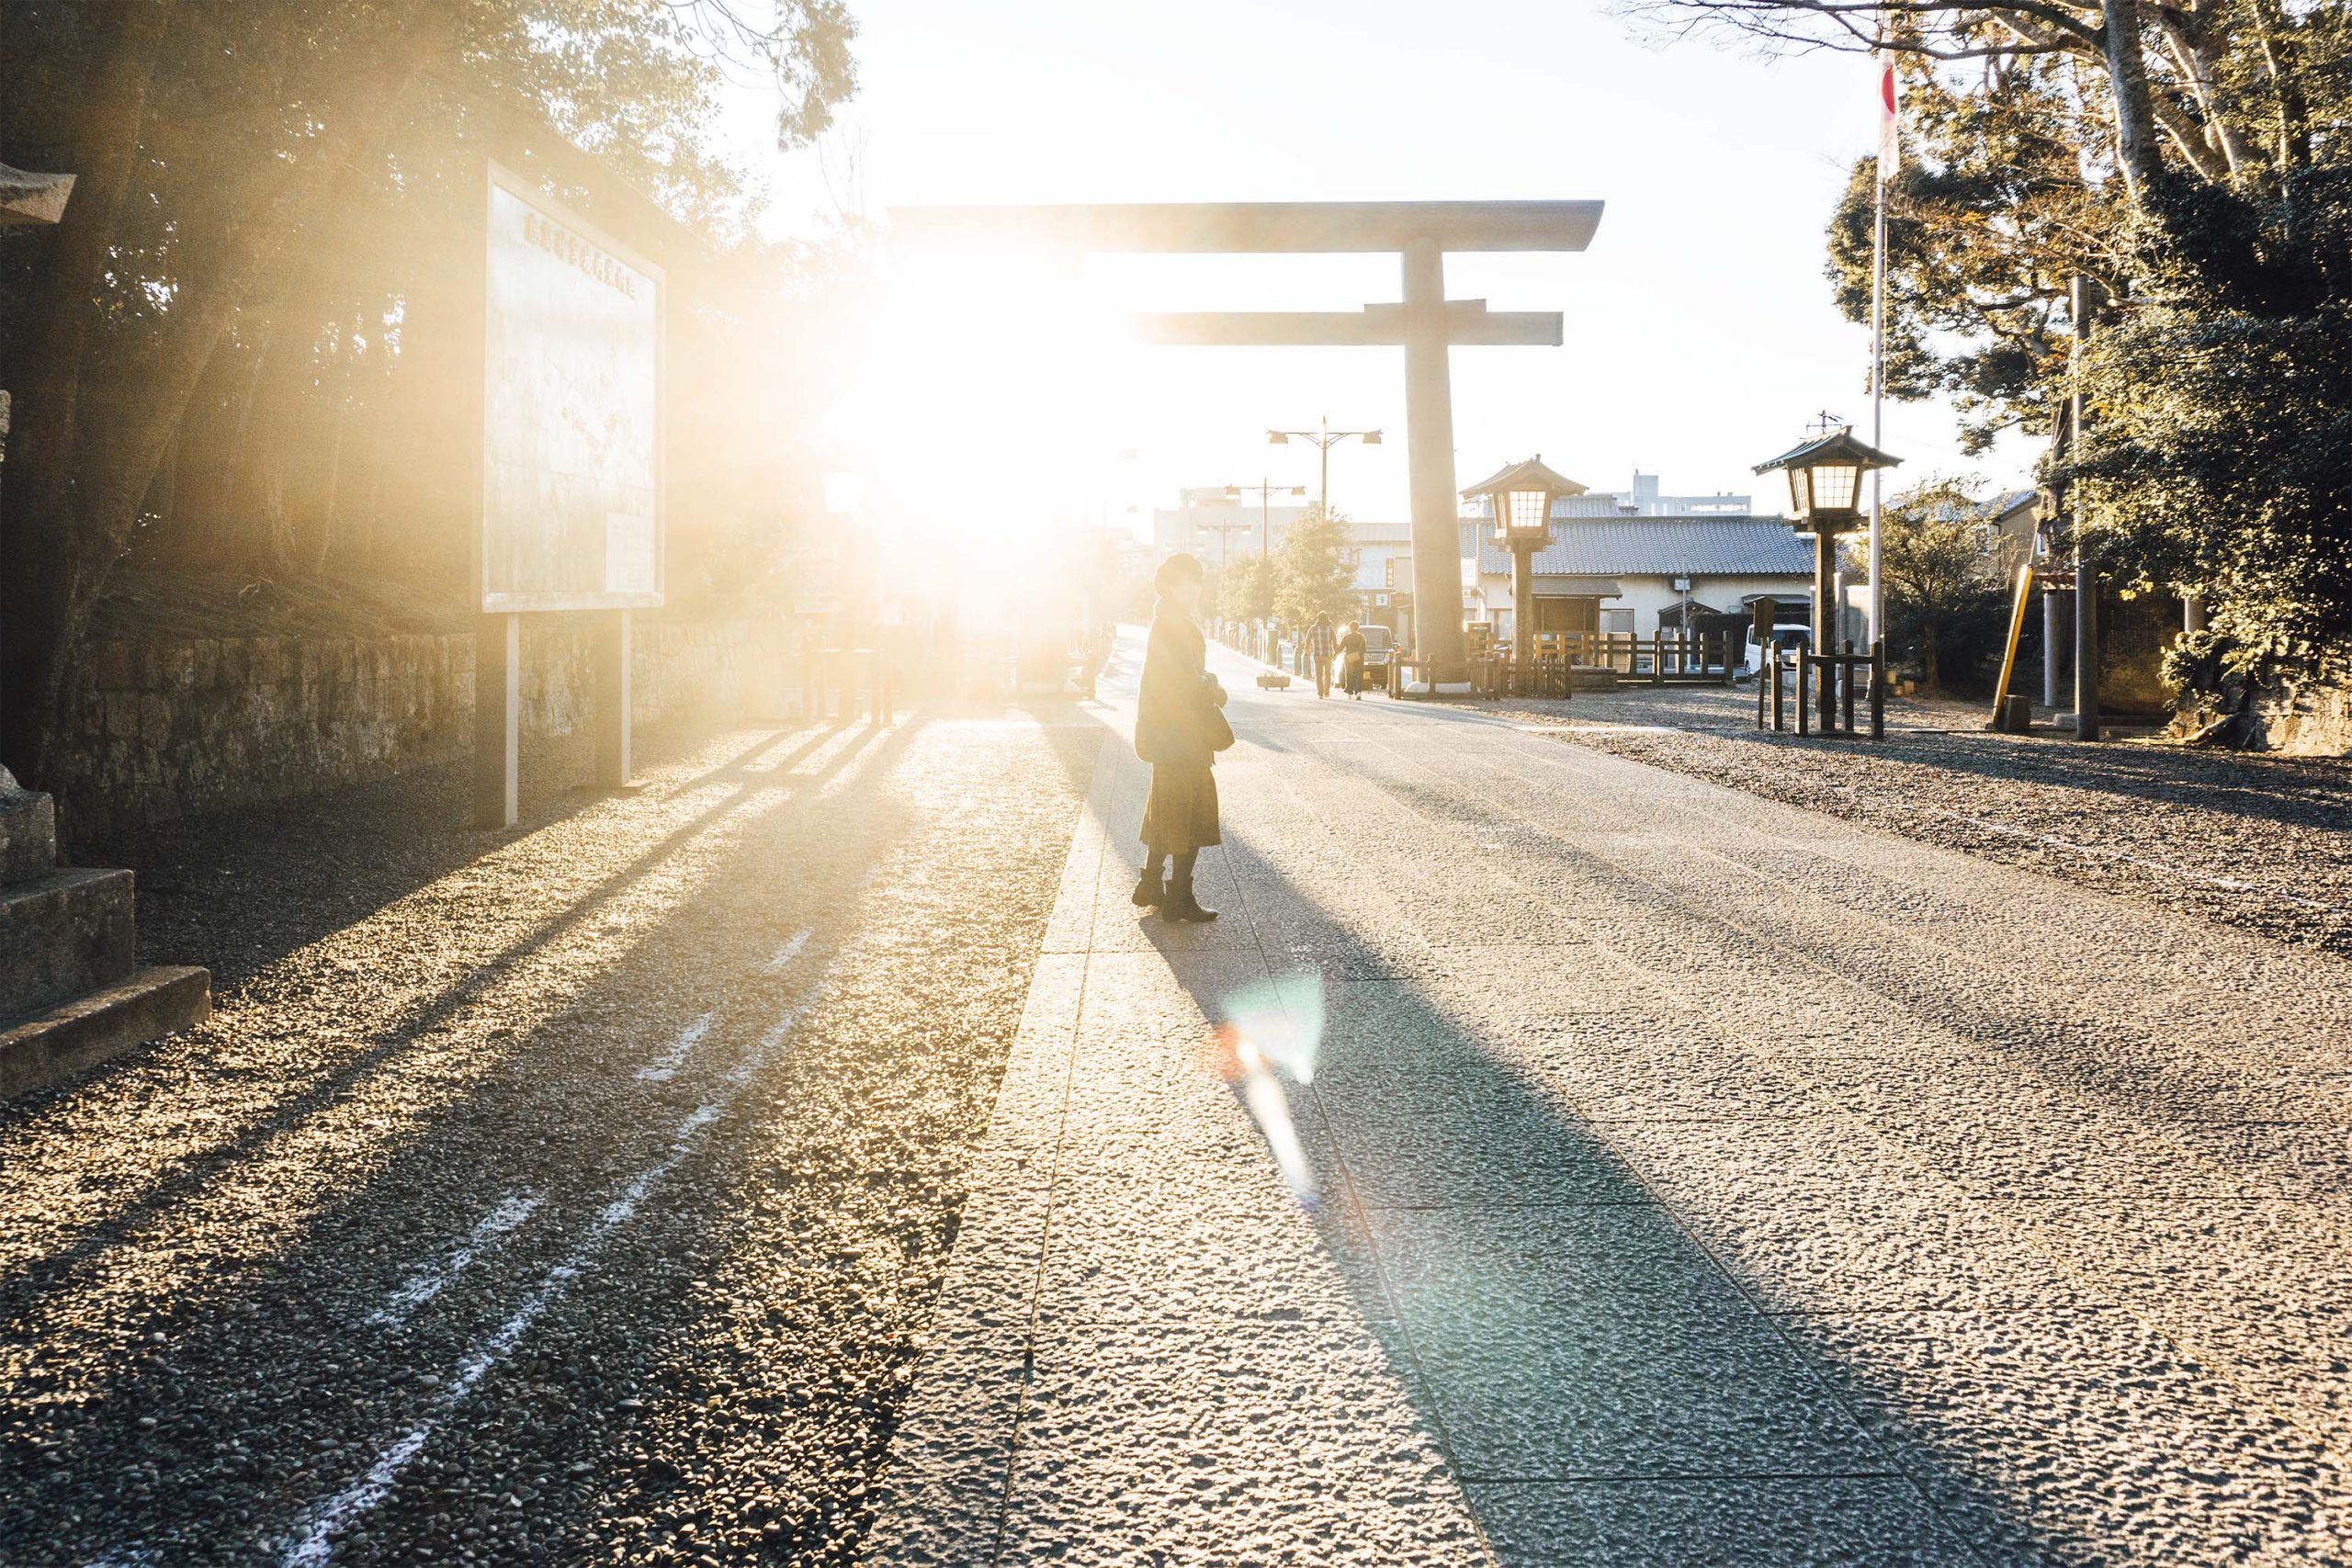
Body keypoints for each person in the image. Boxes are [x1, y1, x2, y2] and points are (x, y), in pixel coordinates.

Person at [1134, 554, 1227, 922]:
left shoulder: (1168, 619)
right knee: (1192, 812)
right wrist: (1213, 688)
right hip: (1181, 734)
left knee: (1166, 809)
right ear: (1171, 586)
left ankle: (1152, 884)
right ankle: (1179, 897)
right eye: (1188, 582)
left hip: (1167, 734)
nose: (1195, 589)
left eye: (1197, 582)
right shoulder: (1172, 623)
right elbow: (1183, 679)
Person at [1306, 612, 1336, 698]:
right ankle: (1326, 692)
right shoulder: (1330, 628)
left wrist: (1307, 650)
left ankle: (1320, 693)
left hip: (1317, 655)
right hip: (1328, 655)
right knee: (1328, 674)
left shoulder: (1313, 628)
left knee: (1318, 675)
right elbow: (1335, 641)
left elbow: (1307, 640)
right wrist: (1336, 652)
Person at [1338, 621, 1367, 699]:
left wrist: (1334, 655)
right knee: (1359, 675)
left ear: (1349, 628)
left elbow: (1341, 648)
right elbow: (1364, 649)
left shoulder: (1346, 637)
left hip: (1348, 658)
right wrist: (1358, 654)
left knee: (1349, 674)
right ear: (1358, 628)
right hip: (1359, 658)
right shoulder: (1362, 637)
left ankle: (1349, 692)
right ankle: (1358, 692)